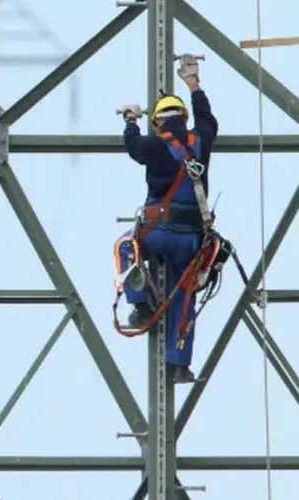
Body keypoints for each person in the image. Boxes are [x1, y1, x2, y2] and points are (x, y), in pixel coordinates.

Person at [114, 55, 218, 384]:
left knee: (125, 248)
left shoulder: (155, 145)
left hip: (156, 233)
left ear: (158, 122)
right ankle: (179, 365)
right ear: (183, 118)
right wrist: (193, 84)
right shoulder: (200, 141)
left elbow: (132, 146)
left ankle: (140, 304)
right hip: (190, 241)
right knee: (183, 293)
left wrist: (131, 119)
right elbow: (207, 118)